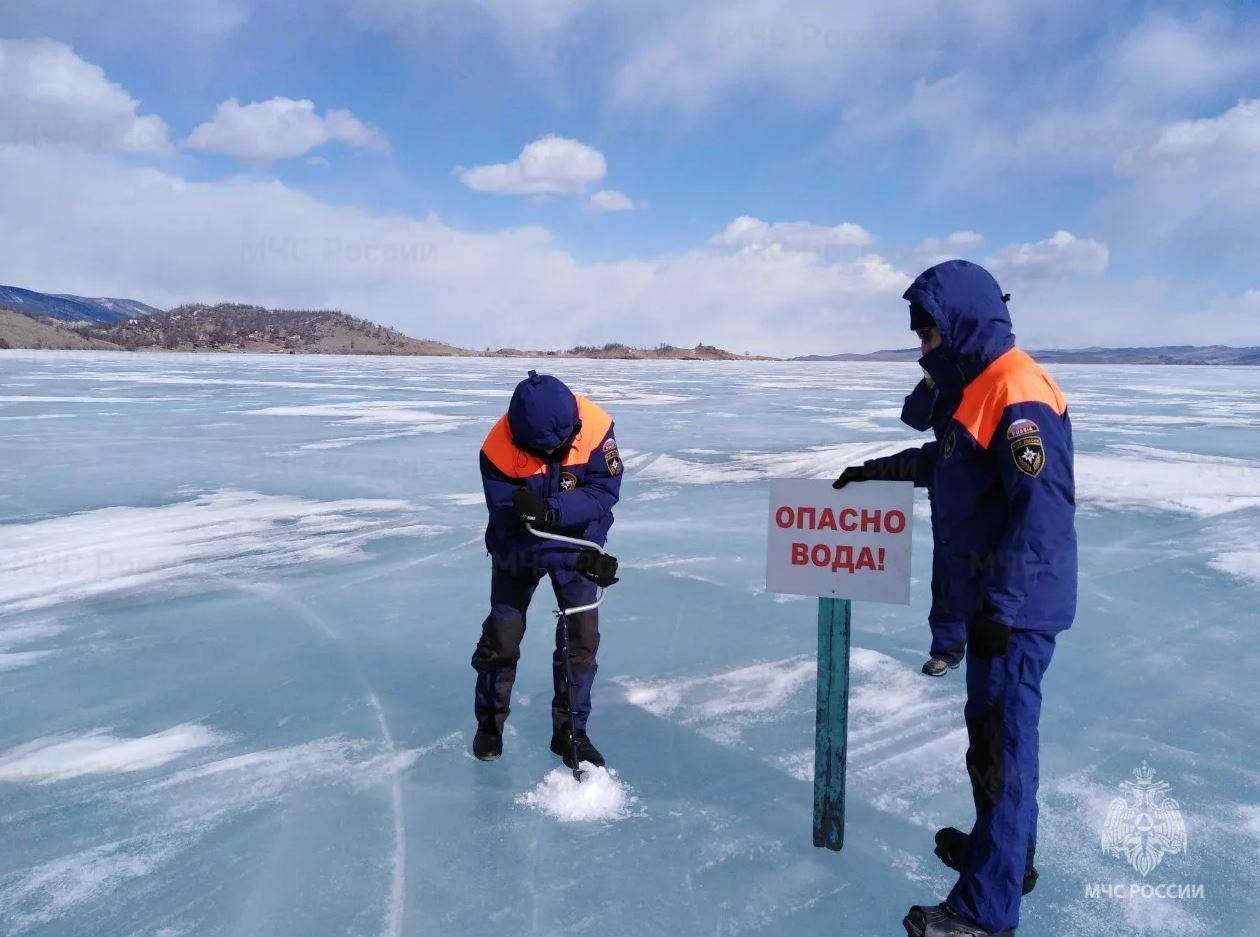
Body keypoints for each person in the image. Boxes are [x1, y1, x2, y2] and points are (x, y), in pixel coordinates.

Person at [834, 260, 1077, 937]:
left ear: (959, 324)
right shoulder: (979, 387)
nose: (921, 349)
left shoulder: (1016, 389)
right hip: (998, 603)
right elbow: (943, 464)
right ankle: (1004, 859)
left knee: (1002, 751)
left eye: (927, 335)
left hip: (1015, 610)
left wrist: (1000, 610)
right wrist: (869, 473)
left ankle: (983, 912)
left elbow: (1041, 518)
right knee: (992, 745)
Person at [471, 370, 622, 769]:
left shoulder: (595, 428)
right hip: (517, 549)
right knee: (503, 636)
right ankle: (489, 723)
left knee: (581, 640)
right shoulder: (497, 449)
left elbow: (603, 493)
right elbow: (510, 524)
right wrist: (574, 550)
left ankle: (571, 732)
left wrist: (587, 546)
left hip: (576, 541)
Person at [836, 367, 966, 676]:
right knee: (946, 583)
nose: (923, 351)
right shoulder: (941, 395)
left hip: (988, 520)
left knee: (992, 592)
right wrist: (866, 472)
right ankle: (948, 650)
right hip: (949, 516)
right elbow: (915, 422)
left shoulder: (984, 390)